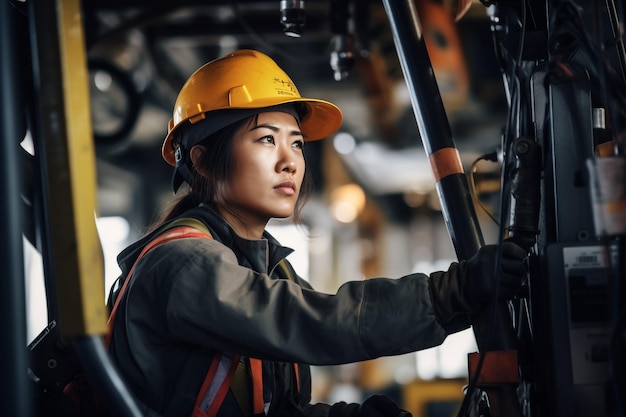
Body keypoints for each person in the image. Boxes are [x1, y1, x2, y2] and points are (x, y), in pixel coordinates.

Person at [107, 49, 527, 417]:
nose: (290, 161)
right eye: (266, 140)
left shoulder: (270, 267)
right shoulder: (182, 263)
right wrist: (452, 292)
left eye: (298, 143)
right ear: (201, 160)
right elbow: (317, 324)